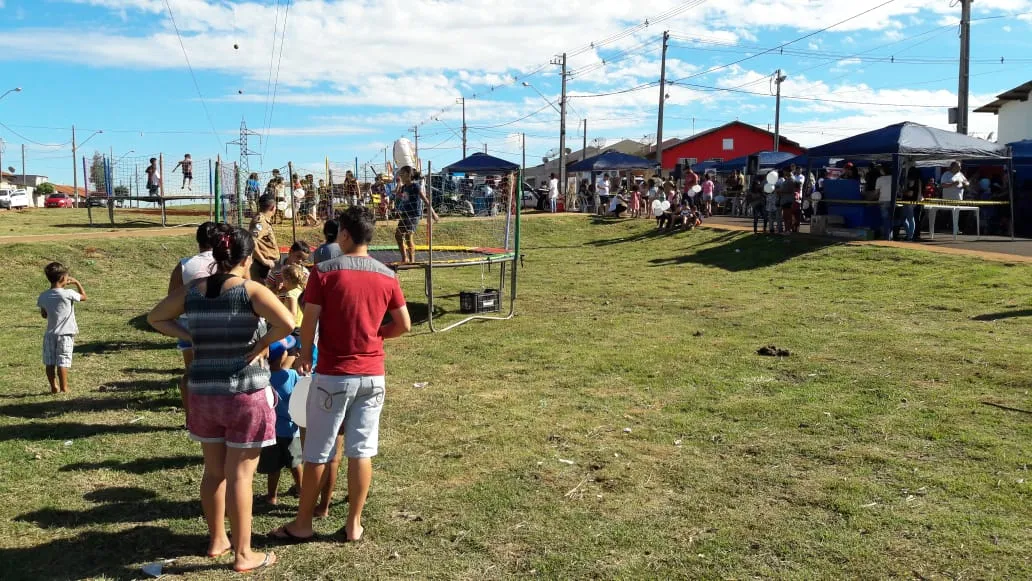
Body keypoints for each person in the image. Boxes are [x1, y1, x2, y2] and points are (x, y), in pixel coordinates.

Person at [147, 225, 295, 573]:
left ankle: (217, 540)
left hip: (203, 393)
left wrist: (189, 335)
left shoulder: (193, 291)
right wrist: (259, 346)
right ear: (246, 260)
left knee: (213, 473)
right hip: (245, 394)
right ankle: (244, 554)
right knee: (241, 476)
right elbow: (287, 323)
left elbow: (156, 317)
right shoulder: (251, 291)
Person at [271, 206, 412, 544]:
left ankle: (302, 523)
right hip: (373, 374)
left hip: (334, 373)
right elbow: (404, 323)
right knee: (362, 451)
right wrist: (378, 336)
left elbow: (310, 319)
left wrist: (305, 353)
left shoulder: (324, 272)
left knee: (318, 451)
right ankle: (354, 524)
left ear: (344, 235)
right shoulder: (387, 274)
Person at [167, 222, 219, 419]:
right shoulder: (224, 264)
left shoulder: (184, 264)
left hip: (188, 322)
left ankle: (191, 417)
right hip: (218, 321)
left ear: (198, 240)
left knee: (191, 371)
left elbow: (172, 297)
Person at [257, 336, 304, 506]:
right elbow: (302, 392)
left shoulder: (263, 378)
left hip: (270, 431)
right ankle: (301, 490)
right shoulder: (291, 375)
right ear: (282, 356)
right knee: (296, 463)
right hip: (291, 430)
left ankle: (272, 496)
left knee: (273, 468)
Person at [38, 262, 86, 394]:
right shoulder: (69, 293)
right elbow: (83, 297)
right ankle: (64, 388)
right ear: (63, 278)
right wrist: (77, 283)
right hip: (65, 334)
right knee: (63, 361)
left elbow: (44, 314)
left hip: (50, 334)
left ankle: (54, 386)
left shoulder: (43, 296)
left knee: (50, 361)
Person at [394, 166, 438, 264]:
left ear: (408, 174)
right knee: (398, 235)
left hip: (413, 215)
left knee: (408, 237)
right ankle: (404, 258)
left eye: (402, 173)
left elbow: (425, 200)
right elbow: (397, 195)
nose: (400, 175)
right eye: (400, 173)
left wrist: (433, 213)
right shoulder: (404, 187)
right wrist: (398, 184)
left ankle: (412, 261)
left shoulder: (415, 186)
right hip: (405, 214)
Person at [249, 195, 279, 284]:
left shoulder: (265, 220)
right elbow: (252, 240)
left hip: (267, 266)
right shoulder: (260, 221)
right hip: (262, 267)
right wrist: (263, 260)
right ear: (273, 207)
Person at [280, 264, 308, 333]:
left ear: (288, 280)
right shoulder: (302, 290)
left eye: (283, 280)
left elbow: (293, 314)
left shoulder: (291, 294)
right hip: (303, 326)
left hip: (293, 329)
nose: (282, 283)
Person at [875, 165, 896, 240]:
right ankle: (890, 236)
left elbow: (876, 192)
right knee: (891, 219)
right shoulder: (894, 178)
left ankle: (887, 237)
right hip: (893, 201)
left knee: (885, 220)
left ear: (883, 171)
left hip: (883, 200)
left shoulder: (879, 179)